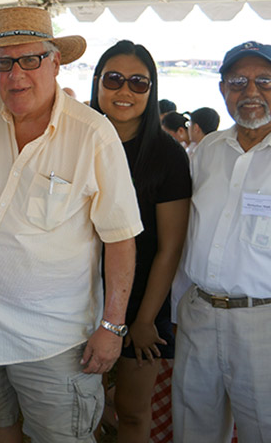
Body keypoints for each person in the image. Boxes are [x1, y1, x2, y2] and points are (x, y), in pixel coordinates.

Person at [0, 7, 142, 443]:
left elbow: (121, 239)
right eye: (3, 62)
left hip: (55, 340)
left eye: (30, 60)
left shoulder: (93, 133)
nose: (16, 74)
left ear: (56, 63)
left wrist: (112, 326)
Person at [89, 40, 191, 441]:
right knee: (86, 405)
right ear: (97, 83)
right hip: (77, 293)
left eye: (138, 82)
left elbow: (170, 247)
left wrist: (146, 318)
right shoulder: (75, 140)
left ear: (152, 90)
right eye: (113, 79)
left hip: (144, 298)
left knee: (132, 412)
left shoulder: (168, 155)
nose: (124, 91)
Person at [173, 41, 271, 442]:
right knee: (193, 430)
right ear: (222, 90)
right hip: (199, 313)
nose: (251, 91)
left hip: (262, 324)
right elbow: (188, 231)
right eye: (237, 81)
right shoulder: (207, 150)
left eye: (264, 80)